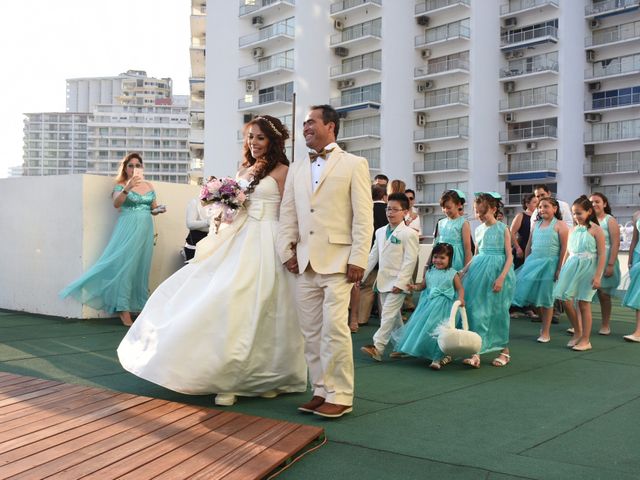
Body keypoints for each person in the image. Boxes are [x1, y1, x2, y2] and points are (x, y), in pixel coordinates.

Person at [117, 115, 307, 406]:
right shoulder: (243, 168)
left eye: (260, 137)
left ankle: (271, 376)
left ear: (273, 140)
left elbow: (290, 212)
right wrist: (223, 207)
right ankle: (225, 375)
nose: (253, 143)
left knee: (267, 306)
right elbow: (233, 208)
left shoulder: (284, 170)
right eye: (250, 137)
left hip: (267, 239)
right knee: (224, 299)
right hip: (236, 237)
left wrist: (289, 246)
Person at [277, 104, 373, 419]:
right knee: (311, 332)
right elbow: (288, 213)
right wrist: (287, 252)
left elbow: (363, 217)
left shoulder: (355, 164)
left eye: (311, 122)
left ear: (330, 125)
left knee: (335, 330)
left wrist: (359, 258)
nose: (305, 127)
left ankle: (341, 395)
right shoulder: (296, 167)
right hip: (304, 262)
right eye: (304, 123)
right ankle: (320, 389)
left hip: (340, 263)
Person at [60, 153, 165, 327]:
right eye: (130, 165)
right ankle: (123, 310)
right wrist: (128, 188)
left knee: (141, 267)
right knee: (125, 267)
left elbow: (152, 208)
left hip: (146, 230)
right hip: (127, 229)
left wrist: (159, 209)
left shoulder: (148, 185)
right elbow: (117, 204)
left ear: (142, 167)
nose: (134, 168)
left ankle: (139, 307)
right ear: (125, 168)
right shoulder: (121, 185)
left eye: (137, 165)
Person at [360, 193, 419, 362]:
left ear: (405, 212)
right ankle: (404, 346)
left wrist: (401, 283)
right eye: (388, 208)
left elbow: (410, 261)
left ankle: (377, 347)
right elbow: (372, 257)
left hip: (399, 283)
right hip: (383, 281)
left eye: (395, 209)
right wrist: (361, 277)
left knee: (387, 315)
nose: (390, 212)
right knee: (394, 319)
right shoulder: (379, 232)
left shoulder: (409, 234)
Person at [462, 192, 515, 368]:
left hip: (498, 273)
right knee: (477, 311)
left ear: (493, 209)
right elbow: (476, 255)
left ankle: (504, 350)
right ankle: (476, 352)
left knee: (498, 312)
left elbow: (509, 256)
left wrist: (501, 277)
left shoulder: (503, 228)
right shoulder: (478, 229)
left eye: (483, 212)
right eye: (477, 212)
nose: (479, 216)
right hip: (478, 273)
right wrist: (464, 270)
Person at [395, 243, 464, 370]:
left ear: (450, 259)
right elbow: (423, 286)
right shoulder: (429, 272)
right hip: (429, 305)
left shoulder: (453, 274)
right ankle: (413, 348)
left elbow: (460, 288)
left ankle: (438, 357)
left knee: (440, 330)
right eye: (435, 257)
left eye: (442, 258)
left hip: (445, 306)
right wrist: (414, 287)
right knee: (423, 327)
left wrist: (461, 298)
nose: (438, 260)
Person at [512, 198, 569, 343]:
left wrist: (559, 268)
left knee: (546, 298)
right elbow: (529, 245)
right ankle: (543, 324)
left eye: (546, 206)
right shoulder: (536, 224)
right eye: (540, 207)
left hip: (550, 264)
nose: (542, 209)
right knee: (536, 300)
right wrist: (526, 262)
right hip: (533, 263)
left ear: (555, 208)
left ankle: (546, 331)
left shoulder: (560, 225)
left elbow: (564, 248)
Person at [553, 196, 606, 351]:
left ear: (589, 212)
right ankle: (577, 331)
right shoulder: (573, 230)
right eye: (574, 214)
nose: (576, 217)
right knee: (566, 300)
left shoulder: (596, 230)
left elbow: (602, 254)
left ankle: (585, 340)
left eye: (579, 213)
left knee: (583, 303)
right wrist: (562, 269)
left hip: (589, 268)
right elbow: (568, 252)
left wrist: (597, 276)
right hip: (571, 267)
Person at [350, 184, 388, 332]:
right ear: (384, 196)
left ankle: (361, 318)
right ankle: (385, 320)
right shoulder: (388, 210)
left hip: (366, 252)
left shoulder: (365, 209)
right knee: (384, 290)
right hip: (385, 256)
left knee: (366, 289)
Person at [590, 192, 621, 336]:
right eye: (591, 202)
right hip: (590, 259)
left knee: (604, 294)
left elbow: (615, 243)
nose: (594, 204)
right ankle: (580, 323)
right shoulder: (588, 220)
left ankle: (605, 324)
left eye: (597, 201)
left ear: (604, 204)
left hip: (607, 258)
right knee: (584, 293)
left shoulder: (610, 220)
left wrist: (610, 264)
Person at [434, 189, 472, 271]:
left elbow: (468, 249)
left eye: (448, 207)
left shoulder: (463, 223)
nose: (446, 210)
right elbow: (436, 245)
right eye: (443, 207)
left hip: (456, 262)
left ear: (458, 205)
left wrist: (465, 270)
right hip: (441, 260)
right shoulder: (441, 223)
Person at [182, 178, 215, 262]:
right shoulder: (195, 202)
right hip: (194, 244)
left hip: (211, 245)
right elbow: (190, 224)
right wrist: (208, 222)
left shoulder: (218, 205)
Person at [622, 205, 640, 343]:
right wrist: (630, 260)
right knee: (638, 294)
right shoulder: (637, 215)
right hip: (638, 257)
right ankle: (638, 331)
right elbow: (634, 239)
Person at [511, 193, 538, 269]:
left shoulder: (539, 216)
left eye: (538, 202)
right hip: (521, 249)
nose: (537, 204)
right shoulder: (521, 215)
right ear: (527, 204)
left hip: (534, 250)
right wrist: (517, 248)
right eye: (534, 202)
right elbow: (511, 232)